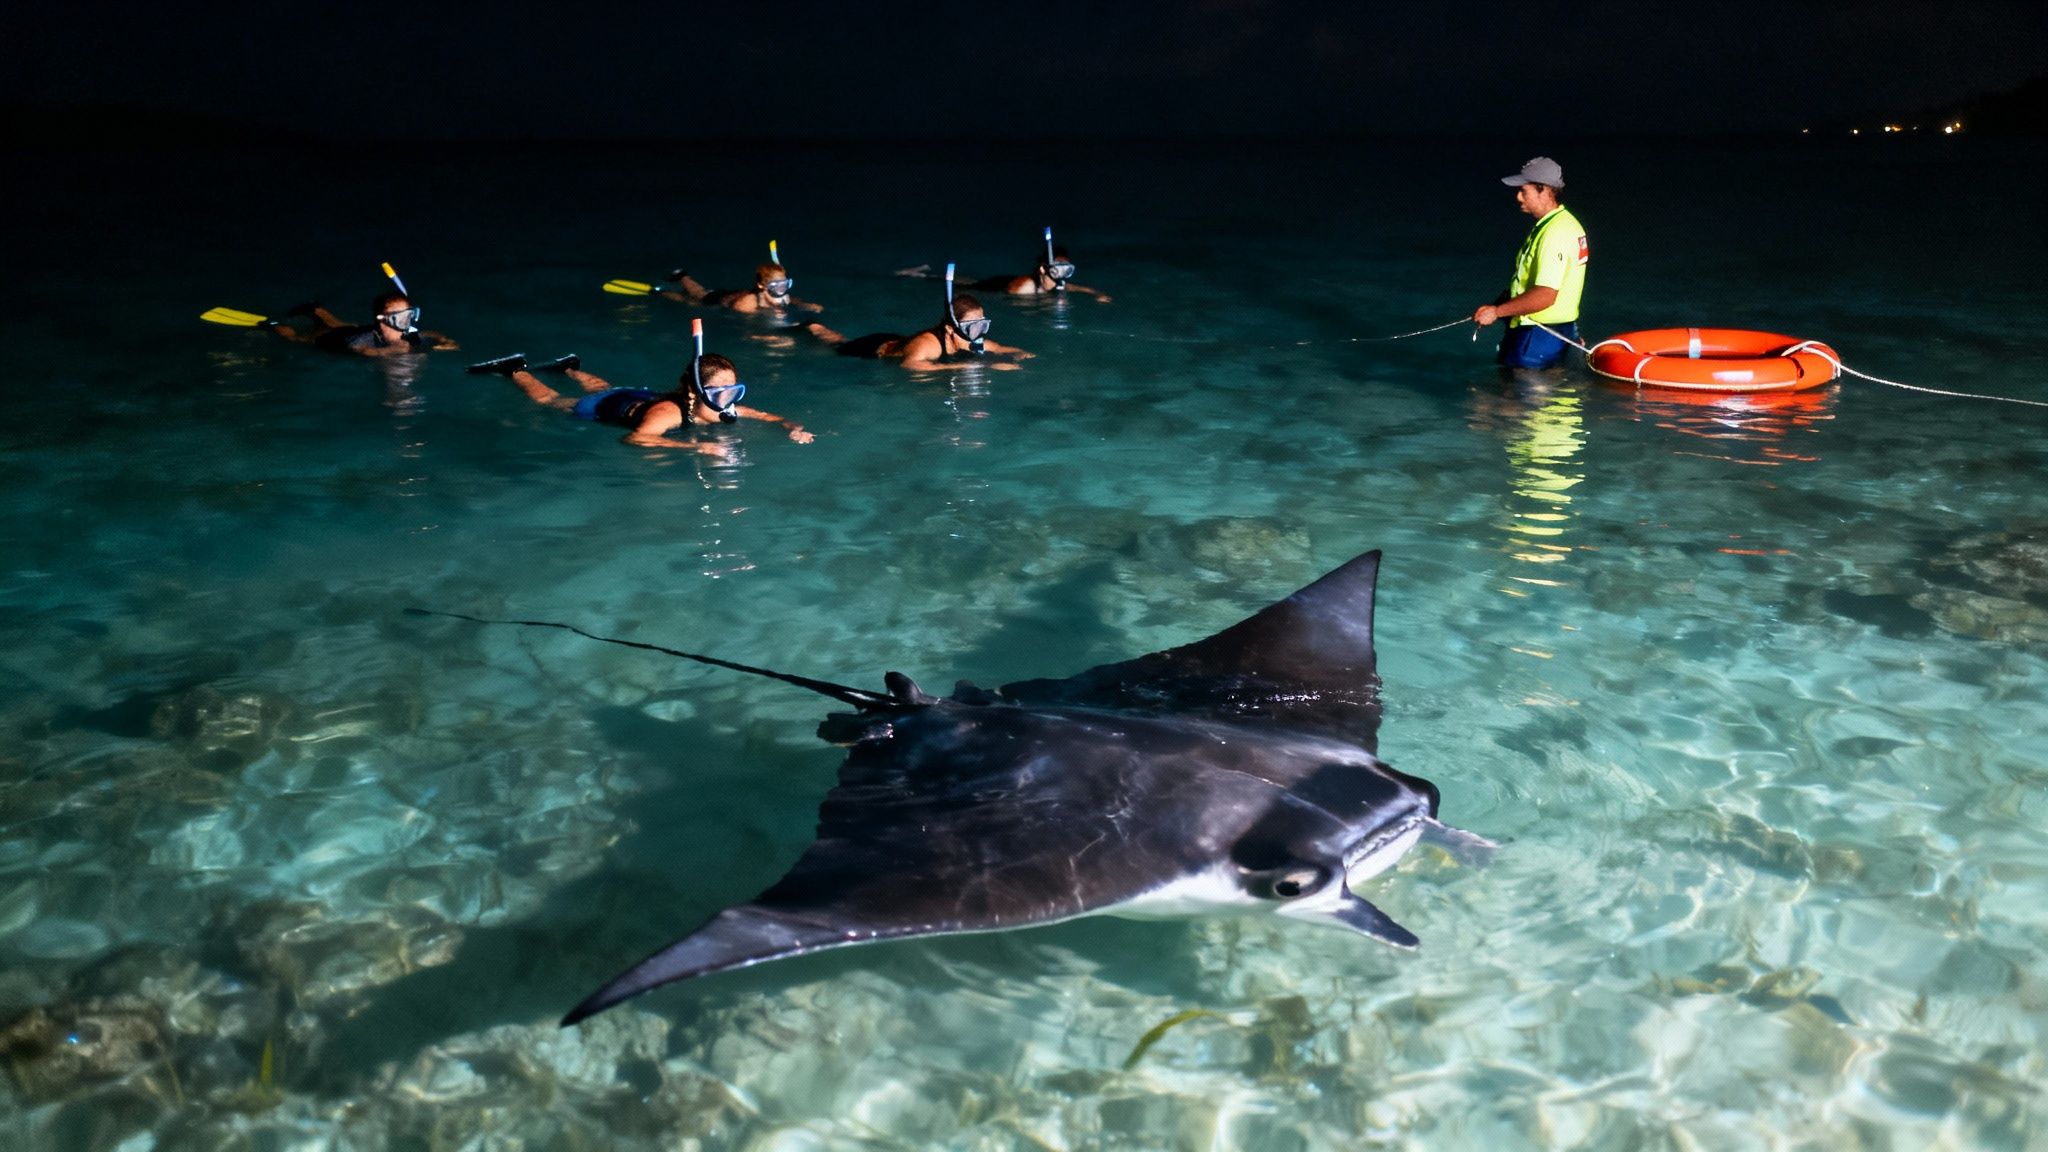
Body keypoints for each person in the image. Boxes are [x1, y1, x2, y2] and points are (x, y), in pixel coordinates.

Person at [469, 351, 814, 452]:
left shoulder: (722, 407)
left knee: (607, 384)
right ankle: (513, 369)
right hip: (612, 408)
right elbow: (635, 438)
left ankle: (571, 365)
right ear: (697, 392)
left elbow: (772, 417)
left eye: (733, 388)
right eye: (719, 390)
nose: (728, 398)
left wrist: (793, 429)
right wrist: (696, 449)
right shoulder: (670, 414)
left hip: (639, 395)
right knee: (552, 400)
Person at [1472, 157, 1588, 370]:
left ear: (1543, 190)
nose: (1518, 197)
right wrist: (1496, 306)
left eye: (1523, 191)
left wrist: (1497, 313)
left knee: (1515, 401)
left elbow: (1545, 295)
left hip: (1538, 338)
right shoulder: (1560, 224)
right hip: (1557, 332)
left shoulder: (1556, 233)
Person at [803, 292, 1032, 371]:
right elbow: (910, 366)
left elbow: (1002, 349)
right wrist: (972, 366)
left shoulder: (971, 339)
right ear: (952, 329)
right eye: (973, 326)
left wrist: (1024, 357)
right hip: (875, 349)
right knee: (836, 345)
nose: (979, 332)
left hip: (899, 340)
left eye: (983, 324)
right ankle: (811, 326)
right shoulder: (929, 345)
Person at [266, 293, 459, 357]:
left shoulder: (406, 333)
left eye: (409, 317)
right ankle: (271, 324)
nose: (406, 325)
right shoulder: (366, 344)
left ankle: (316, 310)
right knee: (295, 338)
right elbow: (365, 351)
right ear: (383, 324)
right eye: (399, 320)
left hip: (354, 330)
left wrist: (442, 340)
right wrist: (400, 351)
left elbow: (430, 333)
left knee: (342, 325)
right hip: (332, 339)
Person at [662, 263, 823, 315]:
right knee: (695, 298)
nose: (782, 291)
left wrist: (805, 305)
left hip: (733, 294)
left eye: (785, 285)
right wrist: (770, 313)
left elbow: (791, 300)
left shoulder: (779, 295)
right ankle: (673, 283)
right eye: (777, 286)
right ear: (762, 286)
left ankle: (681, 279)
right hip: (716, 301)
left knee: (697, 295)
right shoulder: (747, 304)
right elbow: (742, 322)